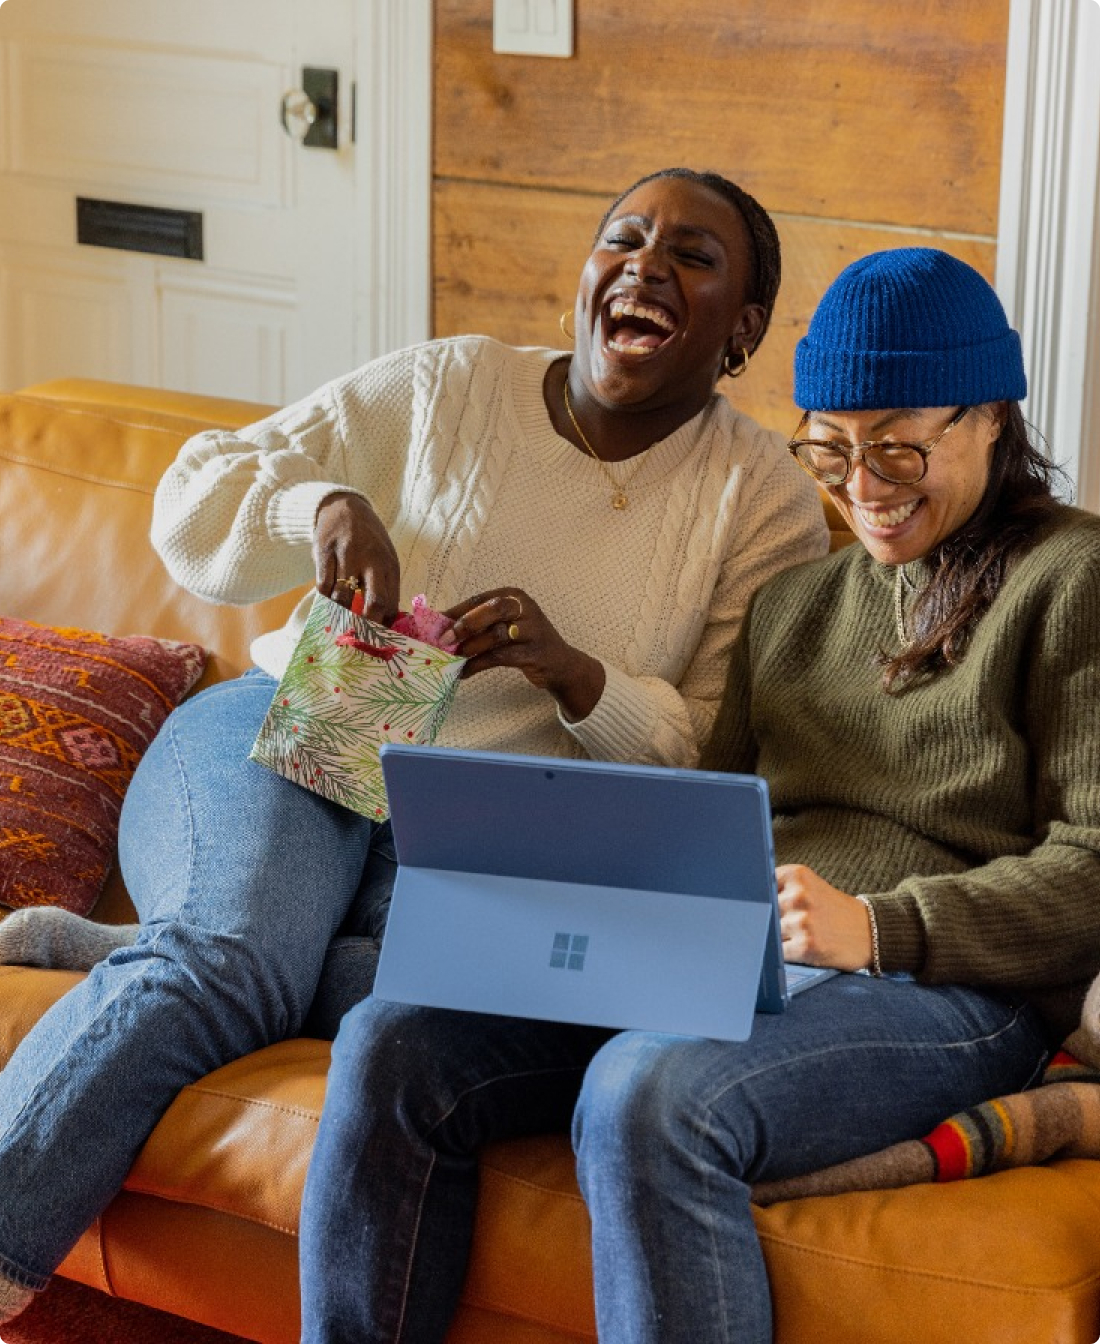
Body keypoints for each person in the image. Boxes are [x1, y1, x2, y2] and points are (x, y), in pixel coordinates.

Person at [0, 167, 828, 1326]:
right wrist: (322, 507)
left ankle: (138, 948)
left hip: (482, 834)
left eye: (691, 257)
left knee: (469, 991)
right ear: (586, 277)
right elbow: (193, 501)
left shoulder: (764, 502)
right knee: (231, 965)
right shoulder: (452, 385)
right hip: (301, 724)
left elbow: (713, 759)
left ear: (739, 330)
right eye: (623, 240)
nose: (645, 266)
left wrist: (576, 674)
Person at [569, 247, 1100, 1343]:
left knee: (649, 1093)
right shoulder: (791, 609)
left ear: (989, 418)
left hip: (949, 991)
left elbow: (1092, 866)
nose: (861, 487)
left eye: (897, 446)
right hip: (749, 961)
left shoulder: (1072, 578)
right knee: (402, 1022)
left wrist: (882, 929)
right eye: (829, 449)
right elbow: (702, 831)